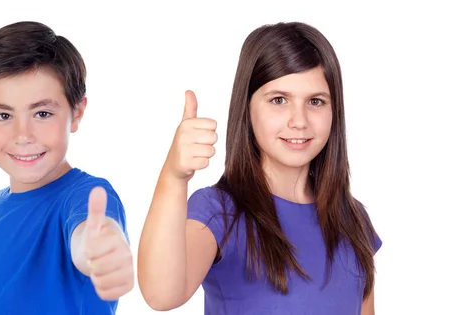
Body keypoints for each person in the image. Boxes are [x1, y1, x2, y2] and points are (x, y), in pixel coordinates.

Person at [137, 22, 382, 315]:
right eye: (279, 100)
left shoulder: (353, 220)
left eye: (315, 101)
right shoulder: (220, 212)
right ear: (247, 108)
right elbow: (161, 294)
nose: (299, 120)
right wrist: (174, 177)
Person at [0, 21, 133, 315]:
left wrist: (102, 251)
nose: (23, 135)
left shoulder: (84, 197)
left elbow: (89, 237)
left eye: (42, 113)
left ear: (77, 113)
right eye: (2, 115)